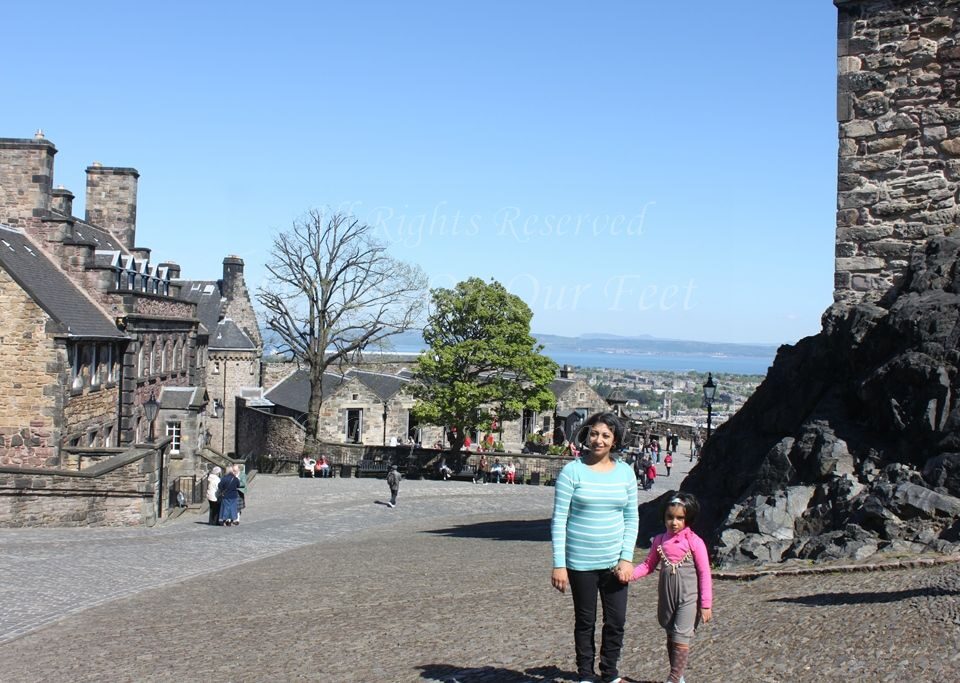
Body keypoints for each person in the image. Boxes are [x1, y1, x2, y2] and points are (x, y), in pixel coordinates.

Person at [551, 411, 638, 683]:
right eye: (594, 433)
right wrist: (559, 564)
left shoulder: (625, 473)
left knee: (616, 621)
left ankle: (610, 673)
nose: (598, 440)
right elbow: (559, 520)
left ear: (614, 440)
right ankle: (586, 675)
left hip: (614, 562)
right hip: (580, 562)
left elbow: (631, 517)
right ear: (586, 434)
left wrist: (626, 558)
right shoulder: (572, 471)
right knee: (585, 621)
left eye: (605, 435)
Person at [623, 492, 713, 683]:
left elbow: (705, 573)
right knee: (671, 635)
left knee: (681, 636)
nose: (674, 522)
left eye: (680, 518)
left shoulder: (695, 542)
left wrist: (705, 604)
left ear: (688, 518)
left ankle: (672, 678)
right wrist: (629, 574)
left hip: (689, 598)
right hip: (666, 597)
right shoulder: (659, 540)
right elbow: (648, 565)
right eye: (670, 517)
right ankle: (679, 677)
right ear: (663, 517)